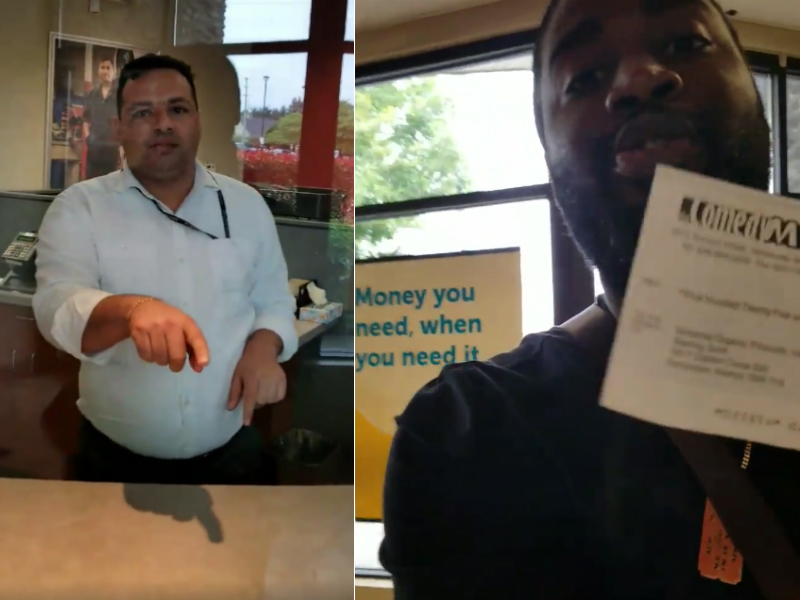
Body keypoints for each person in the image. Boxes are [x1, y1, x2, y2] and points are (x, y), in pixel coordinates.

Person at [379, 0, 787, 598]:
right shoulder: (472, 433)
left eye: (685, 44)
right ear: (550, 161)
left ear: (756, 100)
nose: (639, 80)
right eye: (586, 77)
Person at [33, 54, 298, 486]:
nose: (162, 124)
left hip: (233, 451)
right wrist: (131, 311)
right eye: (142, 113)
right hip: (113, 461)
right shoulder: (80, 208)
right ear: (119, 128)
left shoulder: (246, 205)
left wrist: (263, 348)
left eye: (177, 109)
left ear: (197, 119)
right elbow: (56, 307)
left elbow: (273, 299)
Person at [83, 52, 121, 179]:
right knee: (91, 186)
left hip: (112, 150)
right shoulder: (91, 95)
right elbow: (86, 120)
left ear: (114, 71)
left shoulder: (119, 96)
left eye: (108, 68)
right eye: (102, 68)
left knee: (110, 187)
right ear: (98, 70)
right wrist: (88, 138)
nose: (105, 71)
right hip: (94, 149)